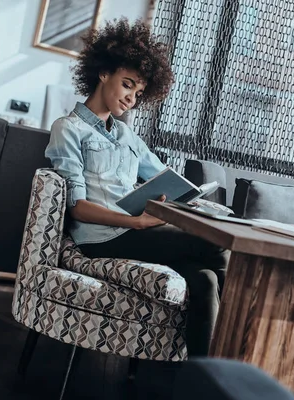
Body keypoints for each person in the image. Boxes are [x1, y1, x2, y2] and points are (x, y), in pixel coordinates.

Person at [45, 18, 228, 357]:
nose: (131, 98)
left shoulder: (127, 136)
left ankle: (205, 382)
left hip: (135, 232)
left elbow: (165, 177)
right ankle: (242, 360)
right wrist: (137, 222)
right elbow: (76, 207)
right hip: (101, 239)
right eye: (127, 85)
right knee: (216, 248)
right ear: (104, 73)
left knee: (205, 279)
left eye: (138, 93)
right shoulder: (68, 129)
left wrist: (194, 199)